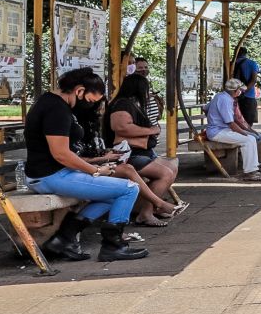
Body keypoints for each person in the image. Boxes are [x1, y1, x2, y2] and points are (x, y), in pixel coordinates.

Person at [21, 67, 148, 262]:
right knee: (129, 189)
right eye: (90, 101)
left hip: (48, 173)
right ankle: (113, 246)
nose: (90, 107)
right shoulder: (57, 109)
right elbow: (61, 154)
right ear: (79, 91)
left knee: (111, 196)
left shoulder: (50, 103)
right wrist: (96, 171)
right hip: (51, 175)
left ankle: (62, 240)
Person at [72, 94, 176, 228]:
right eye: (100, 107)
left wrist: (107, 154)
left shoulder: (91, 125)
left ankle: (79, 231)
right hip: (84, 168)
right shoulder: (77, 129)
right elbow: (74, 158)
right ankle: (156, 205)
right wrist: (103, 160)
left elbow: (88, 152)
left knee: (121, 187)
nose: (102, 111)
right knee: (127, 185)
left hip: (97, 165)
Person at [106, 72, 183, 212]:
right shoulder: (122, 104)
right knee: (164, 173)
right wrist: (151, 131)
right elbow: (121, 127)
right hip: (128, 154)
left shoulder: (131, 103)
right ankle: (146, 213)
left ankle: (146, 208)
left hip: (143, 151)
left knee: (172, 167)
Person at [207, 78, 261, 182]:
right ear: (234, 91)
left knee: (250, 138)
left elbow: (206, 108)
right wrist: (244, 133)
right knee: (248, 140)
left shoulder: (222, 96)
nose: (241, 92)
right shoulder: (225, 100)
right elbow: (231, 123)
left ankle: (254, 167)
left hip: (220, 130)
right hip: (217, 132)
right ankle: (249, 172)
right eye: (239, 90)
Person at [233, 46, 261, 125]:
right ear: (245, 53)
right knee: (248, 123)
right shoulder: (252, 63)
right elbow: (253, 80)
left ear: (236, 53)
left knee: (236, 122)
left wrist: (237, 92)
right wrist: (243, 90)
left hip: (233, 96)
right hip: (249, 97)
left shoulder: (231, 63)